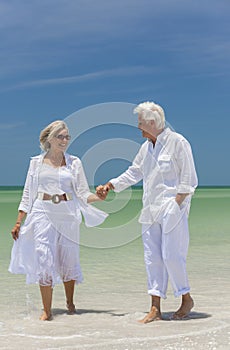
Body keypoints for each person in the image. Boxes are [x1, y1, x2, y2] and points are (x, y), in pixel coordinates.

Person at [97, 101, 198, 323]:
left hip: (172, 208)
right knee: (152, 258)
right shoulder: (146, 147)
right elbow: (134, 172)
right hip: (149, 209)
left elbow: (189, 178)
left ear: (152, 123)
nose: (139, 127)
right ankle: (155, 308)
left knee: (172, 256)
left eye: (140, 123)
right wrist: (111, 185)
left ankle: (186, 298)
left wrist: (177, 203)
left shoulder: (177, 142)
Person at [9, 120, 108, 321]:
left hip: (68, 214)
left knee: (68, 259)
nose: (65, 140)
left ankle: (70, 303)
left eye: (67, 137)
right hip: (42, 211)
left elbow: (82, 193)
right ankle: (47, 310)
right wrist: (19, 221)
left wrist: (99, 197)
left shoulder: (75, 162)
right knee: (43, 257)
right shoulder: (36, 162)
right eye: (60, 136)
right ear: (49, 139)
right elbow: (28, 193)